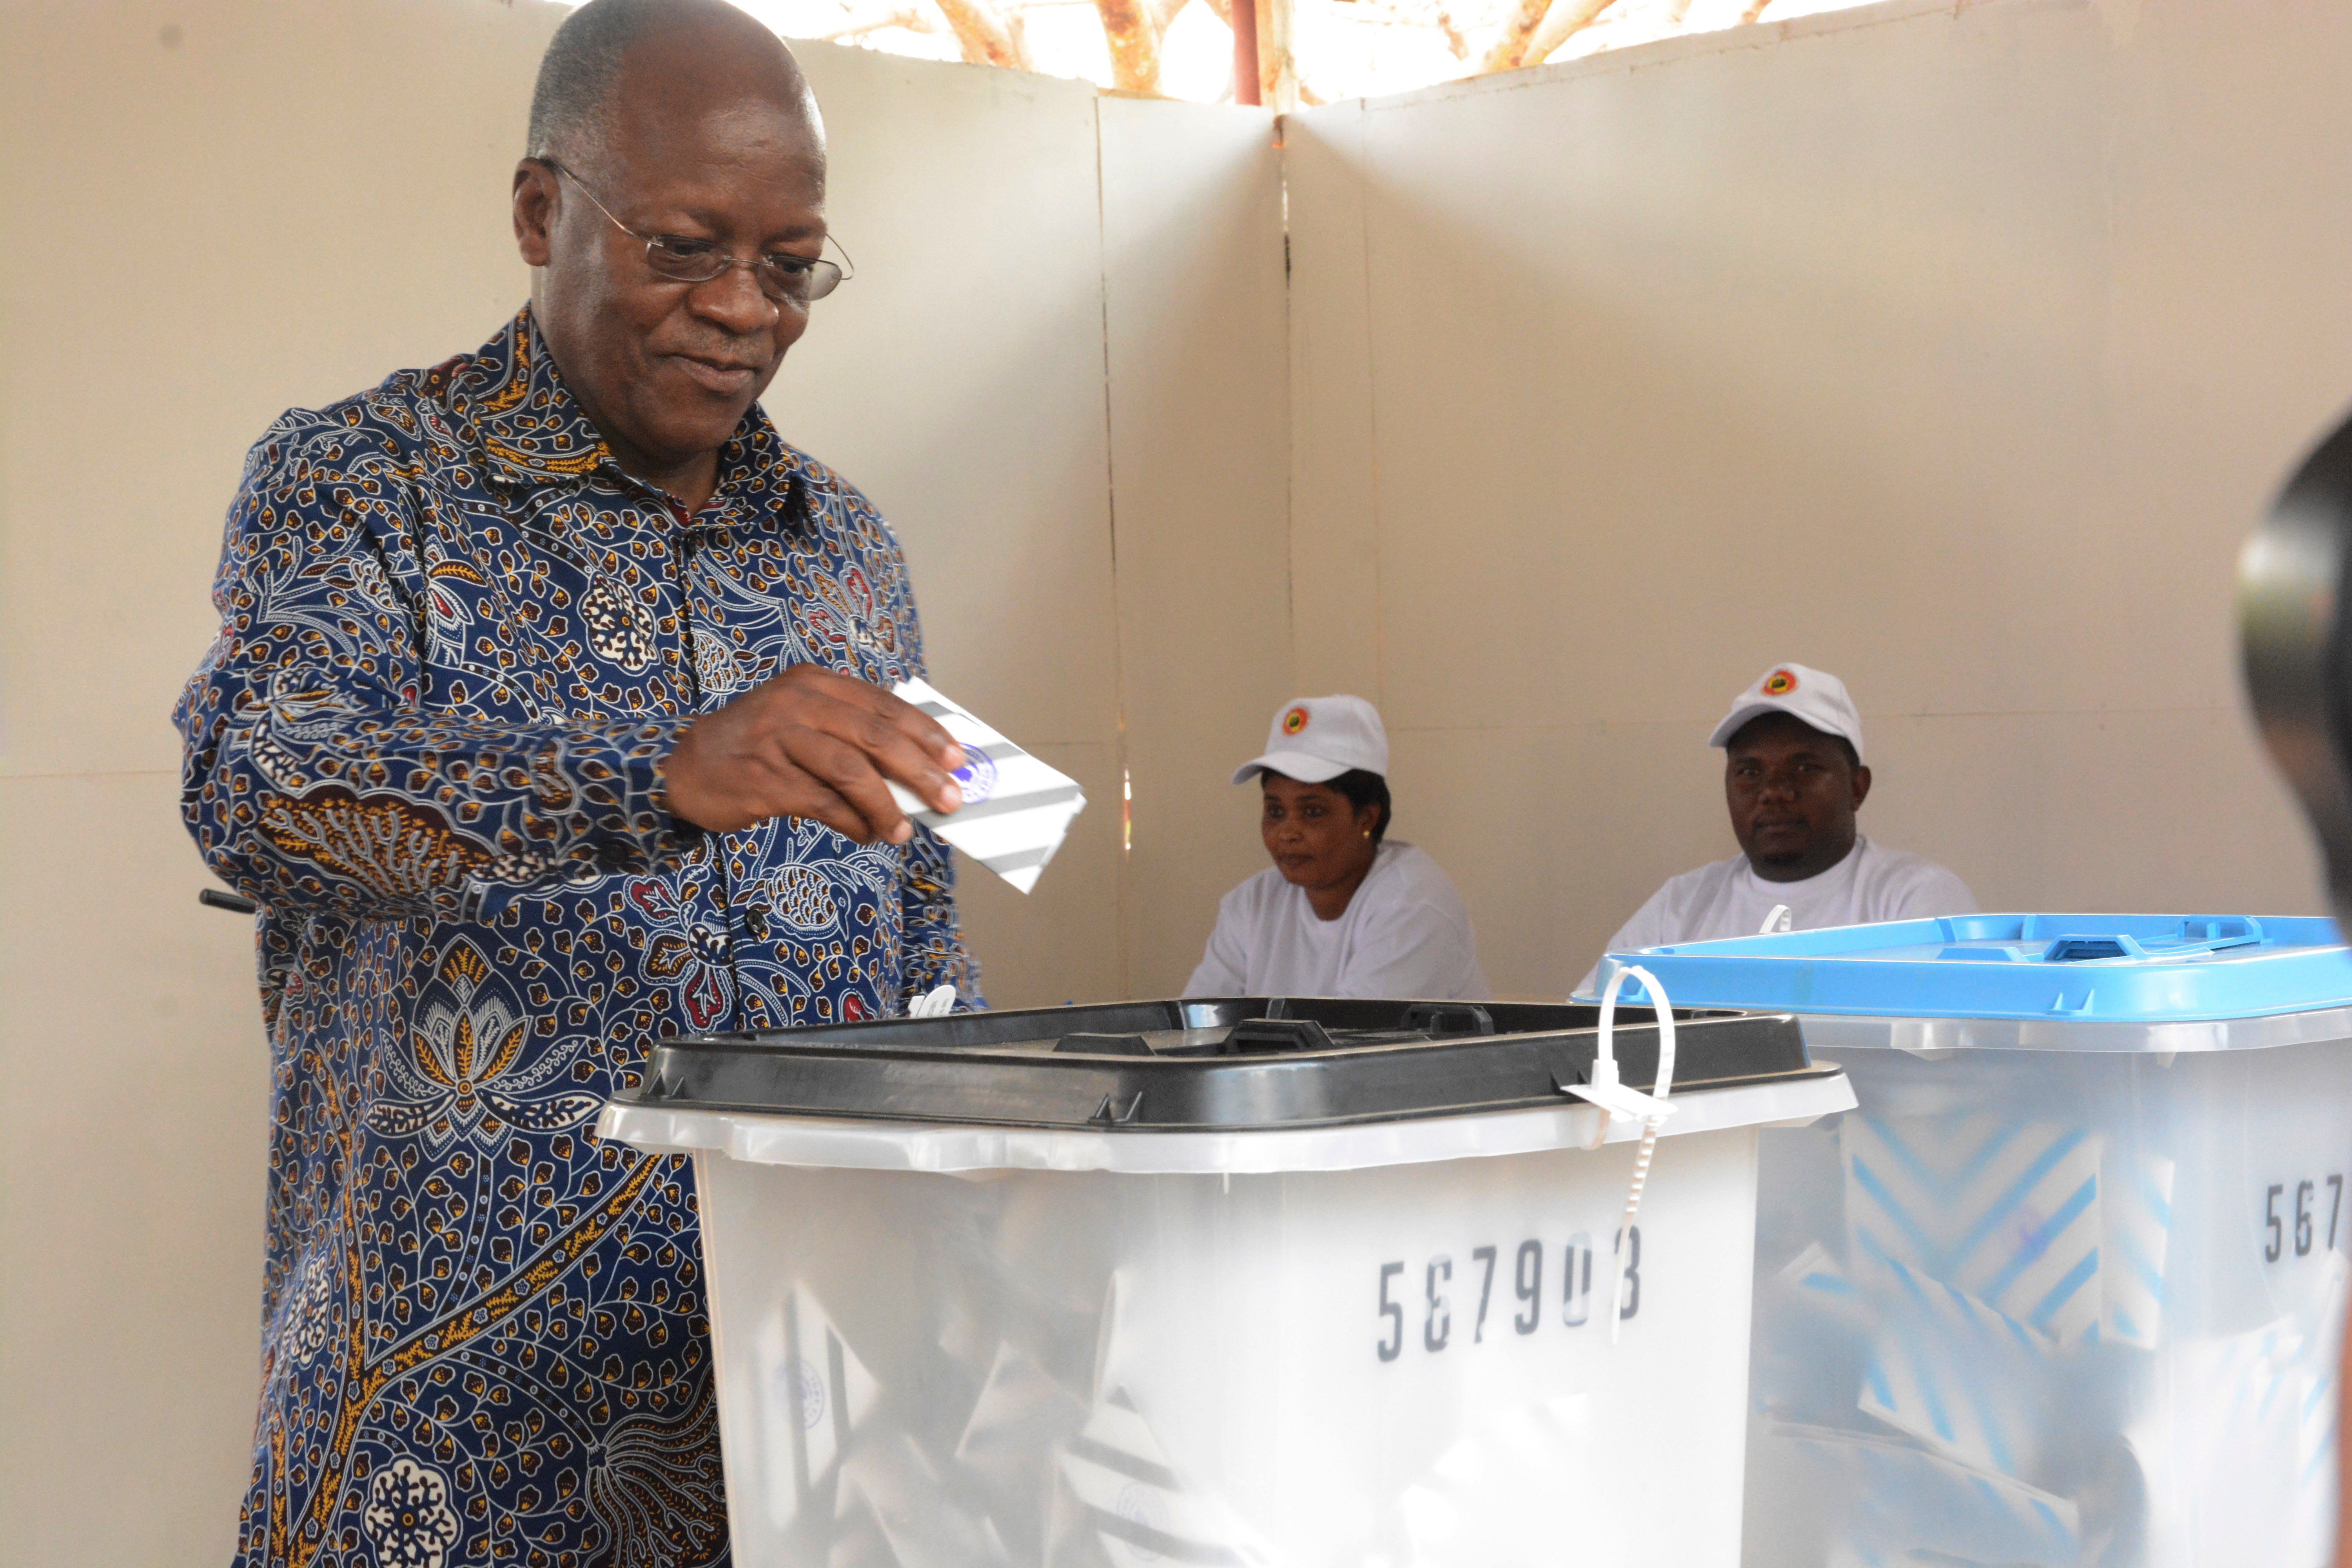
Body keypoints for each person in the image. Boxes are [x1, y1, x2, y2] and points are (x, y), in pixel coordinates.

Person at [172, 4, 982, 1561]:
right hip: (448, 1457)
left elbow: (923, 933)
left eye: (792, 262)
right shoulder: (362, 482)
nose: (745, 307)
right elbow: (256, 778)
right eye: (685, 245)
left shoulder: (847, 548)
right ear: (545, 210)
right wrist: (650, 781)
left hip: (799, 1437)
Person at [1581, 663, 1976, 989]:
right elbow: (1593, 1025)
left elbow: (1955, 1058)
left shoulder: (1916, 903)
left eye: (1805, 768)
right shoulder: (1681, 907)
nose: (1773, 792)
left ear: (1858, 787)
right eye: (1750, 772)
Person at [1185, 695, 1489, 1000]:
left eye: (1313, 812)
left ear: (1367, 817)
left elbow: (1360, 1041)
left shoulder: (1413, 903)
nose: (1287, 833)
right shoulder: (1251, 905)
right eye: (1276, 812)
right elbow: (1197, 1026)